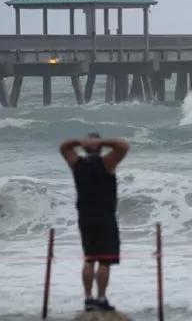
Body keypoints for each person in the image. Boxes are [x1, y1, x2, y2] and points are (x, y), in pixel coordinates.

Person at [59, 132, 130, 312]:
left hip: (85, 215)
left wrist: (79, 141)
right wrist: (103, 141)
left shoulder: (77, 163)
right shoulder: (106, 163)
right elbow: (123, 146)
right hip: (104, 215)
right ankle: (101, 298)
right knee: (105, 260)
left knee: (90, 258)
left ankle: (88, 298)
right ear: (100, 148)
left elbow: (64, 147)